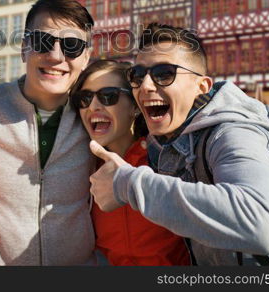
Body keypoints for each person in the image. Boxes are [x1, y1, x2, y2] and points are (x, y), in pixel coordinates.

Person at [89, 23, 269, 265]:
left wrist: (126, 184)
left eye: (164, 74)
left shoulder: (233, 132)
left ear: (201, 86)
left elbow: (261, 226)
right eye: (138, 76)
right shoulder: (164, 142)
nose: (146, 86)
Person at [0, 0, 96, 265]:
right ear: (24, 48)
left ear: (86, 57)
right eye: (42, 42)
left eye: (72, 46)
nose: (55, 56)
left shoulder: (96, 117)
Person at [70, 59, 191, 265]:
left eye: (108, 96)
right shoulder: (83, 169)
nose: (93, 106)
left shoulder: (168, 160)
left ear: (135, 107)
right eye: (85, 98)